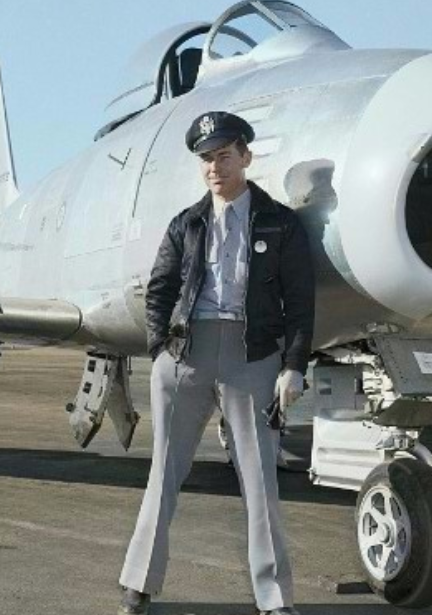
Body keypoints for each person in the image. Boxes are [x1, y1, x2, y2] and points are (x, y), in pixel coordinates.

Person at [118, 111, 315, 615]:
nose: (214, 167)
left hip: (253, 357)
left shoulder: (280, 223)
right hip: (187, 355)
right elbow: (160, 289)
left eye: (223, 156)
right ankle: (139, 584)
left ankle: (273, 598)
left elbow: (300, 300)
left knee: (260, 479)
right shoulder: (187, 223)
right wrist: (162, 350)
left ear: (246, 157)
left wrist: (293, 365)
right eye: (206, 159)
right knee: (164, 472)